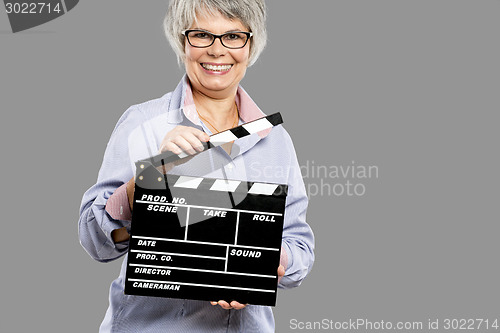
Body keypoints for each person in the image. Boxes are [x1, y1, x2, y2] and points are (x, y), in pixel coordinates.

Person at [78, 0, 314, 331]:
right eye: (202, 35)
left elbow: (299, 248)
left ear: (251, 44)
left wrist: (263, 263)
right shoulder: (144, 123)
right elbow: (96, 241)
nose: (217, 51)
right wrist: (147, 180)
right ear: (182, 40)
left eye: (233, 36)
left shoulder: (275, 141)